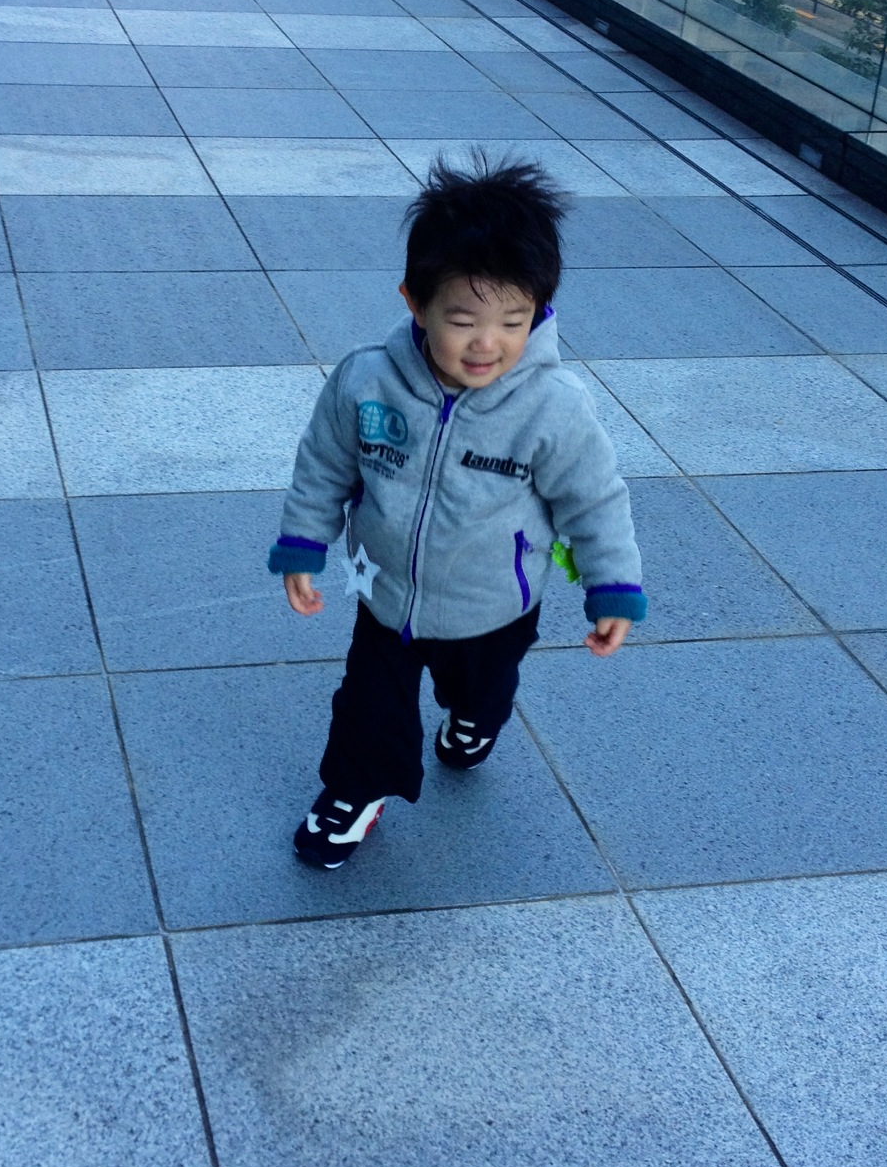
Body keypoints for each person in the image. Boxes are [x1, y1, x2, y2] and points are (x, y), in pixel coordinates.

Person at [268, 157, 647, 869]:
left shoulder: (552, 407)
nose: (488, 343)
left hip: (493, 605)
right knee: (367, 706)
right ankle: (355, 789)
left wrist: (612, 586)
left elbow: (593, 499)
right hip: (387, 593)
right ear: (415, 302)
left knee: (478, 690)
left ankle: (474, 720)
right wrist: (302, 541)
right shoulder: (366, 380)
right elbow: (324, 464)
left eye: (514, 320)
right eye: (464, 319)